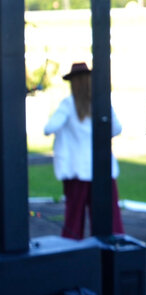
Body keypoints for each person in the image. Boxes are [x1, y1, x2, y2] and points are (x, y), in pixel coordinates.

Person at [43, 62, 125, 240]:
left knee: (73, 220)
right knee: (110, 219)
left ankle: (72, 254)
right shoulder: (101, 101)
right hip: (102, 169)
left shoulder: (67, 104)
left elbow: (49, 128)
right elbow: (116, 129)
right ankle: (114, 253)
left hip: (77, 171)